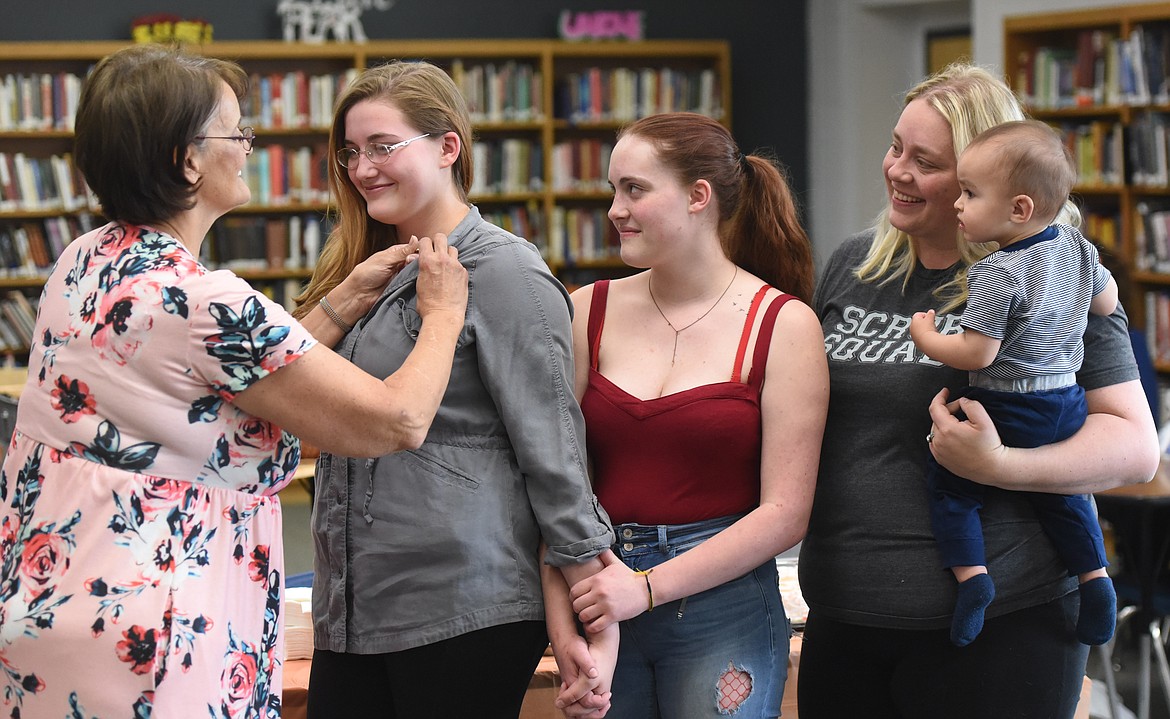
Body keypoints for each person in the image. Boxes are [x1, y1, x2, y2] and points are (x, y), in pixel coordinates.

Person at [0, 45, 469, 718]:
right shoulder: (207, 303)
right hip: (156, 635)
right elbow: (396, 420)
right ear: (188, 159)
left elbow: (231, 378)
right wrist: (444, 313)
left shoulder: (85, 258)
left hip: (53, 603)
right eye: (237, 131)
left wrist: (334, 308)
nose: (250, 145)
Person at [799, 63, 1160, 719]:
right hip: (845, 615)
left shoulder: (1048, 275)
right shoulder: (854, 262)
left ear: (989, 186)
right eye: (895, 146)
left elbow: (1135, 447)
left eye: (926, 162)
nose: (897, 170)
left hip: (1005, 625)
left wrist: (1000, 466)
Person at [290, 60, 617, 719]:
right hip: (354, 604)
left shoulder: (503, 270)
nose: (362, 168)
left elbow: (550, 440)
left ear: (448, 147)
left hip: (463, 604)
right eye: (351, 152)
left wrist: (584, 576)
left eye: (384, 147)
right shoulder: (362, 269)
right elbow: (289, 386)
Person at [551, 112, 828, 718]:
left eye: (635, 189)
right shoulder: (583, 311)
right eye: (612, 191)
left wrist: (645, 590)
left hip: (723, 607)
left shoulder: (782, 324)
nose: (615, 210)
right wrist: (564, 627)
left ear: (699, 197)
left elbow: (786, 512)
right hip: (595, 588)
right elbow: (552, 486)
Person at [908, 119, 1119, 648]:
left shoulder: (997, 270)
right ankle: (1096, 579)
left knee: (952, 485)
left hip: (1007, 402)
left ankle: (973, 580)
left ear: (1019, 209)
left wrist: (927, 337)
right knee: (1063, 494)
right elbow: (1107, 304)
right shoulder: (1077, 246)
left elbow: (977, 351)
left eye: (971, 194)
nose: (959, 204)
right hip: (1065, 400)